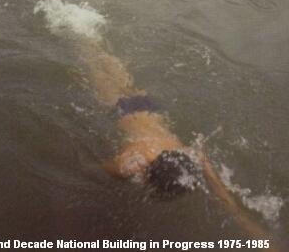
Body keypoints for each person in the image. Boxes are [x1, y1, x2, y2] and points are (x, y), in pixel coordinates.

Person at [80, 39, 279, 243]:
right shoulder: (133, 163)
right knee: (94, 66)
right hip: (128, 109)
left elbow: (228, 202)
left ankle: (89, 36)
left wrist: (260, 238)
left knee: (109, 67)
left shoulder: (189, 155)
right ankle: (82, 38)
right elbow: (95, 168)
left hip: (148, 108)